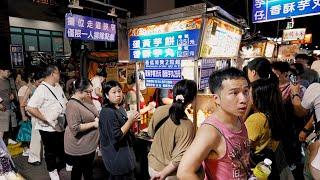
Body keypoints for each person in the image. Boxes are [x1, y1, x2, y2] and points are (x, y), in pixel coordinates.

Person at [177, 68, 250, 180]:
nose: (243, 99)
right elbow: (184, 172)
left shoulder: (238, 117)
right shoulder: (210, 131)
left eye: (246, 91)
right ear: (217, 99)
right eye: (234, 93)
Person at [148, 79, 197, 180]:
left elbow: (150, 133)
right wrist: (163, 174)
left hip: (152, 166)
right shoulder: (188, 126)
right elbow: (178, 159)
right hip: (168, 174)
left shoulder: (159, 110)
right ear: (193, 99)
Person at [245, 78, 293, 179]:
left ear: (258, 97)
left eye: (248, 93)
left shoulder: (256, 119)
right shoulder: (277, 112)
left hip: (256, 168)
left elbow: (241, 145)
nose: (246, 96)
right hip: (271, 166)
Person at [26, 65, 67, 180]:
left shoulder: (58, 86)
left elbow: (63, 100)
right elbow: (30, 107)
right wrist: (45, 118)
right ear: (53, 73)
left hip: (59, 123)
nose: (60, 75)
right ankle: (52, 171)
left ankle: (64, 165)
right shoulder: (41, 89)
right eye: (58, 73)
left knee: (61, 147)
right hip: (47, 127)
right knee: (50, 151)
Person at [99, 80, 139, 179]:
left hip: (125, 152)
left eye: (119, 91)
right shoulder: (107, 112)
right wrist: (130, 121)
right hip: (116, 156)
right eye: (114, 92)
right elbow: (116, 136)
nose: (118, 94)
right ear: (107, 95)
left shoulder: (119, 107)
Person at [64, 78, 99, 180]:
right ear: (79, 91)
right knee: (79, 170)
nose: (90, 94)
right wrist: (93, 124)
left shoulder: (86, 99)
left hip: (89, 143)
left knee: (87, 169)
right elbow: (75, 128)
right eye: (88, 92)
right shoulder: (72, 105)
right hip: (79, 146)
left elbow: (95, 113)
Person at [291, 82, 320, 179]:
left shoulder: (316, 88)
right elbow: (317, 110)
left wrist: (295, 93)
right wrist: (306, 129)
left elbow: (299, 111)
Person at [25, 72, 44, 166]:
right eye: (39, 82)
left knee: (43, 136)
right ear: (34, 81)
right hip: (35, 115)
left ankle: (41, 155)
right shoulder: (31, 89)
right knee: (36, 137)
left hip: (43, 115)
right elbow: (23, 102)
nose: (41, 83)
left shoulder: (43, 89)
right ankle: (33, 158)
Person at [0, 67, 13, 139]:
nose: (9, 73)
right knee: (1, 130)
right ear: (1, 70)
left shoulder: (7, 81)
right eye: (7, 71)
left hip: (7, 108)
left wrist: (11, 94)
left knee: (4, 130)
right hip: (1, 109)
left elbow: (9, 91)